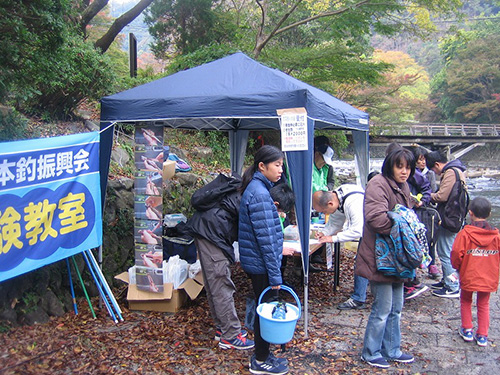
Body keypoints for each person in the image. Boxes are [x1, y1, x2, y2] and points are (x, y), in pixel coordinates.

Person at [355, 147, 416, 369]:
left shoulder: (403, 186)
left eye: (408, 167)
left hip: (397, 259)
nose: (405, 171)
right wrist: (404, 228)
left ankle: (392, 349)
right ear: (390, 165)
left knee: (396, 308)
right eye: (400, 166)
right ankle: (370, 352)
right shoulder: (378, 184)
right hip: (379, 258)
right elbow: (375, 219)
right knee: (382, 310)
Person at [187, 173, 254, 350]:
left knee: (213, 282)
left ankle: (222, 328)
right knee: (220, 282)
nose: (279, 170)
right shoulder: (251, 195)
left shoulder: (243, 188)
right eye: (276, 165)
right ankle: (230, 335)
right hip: (211, 234)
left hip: (206, 231)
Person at [239, 145, 289, 375]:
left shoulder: (258, 188)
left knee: (264, 307)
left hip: (258, 262)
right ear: (262, 166)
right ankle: (260, 360)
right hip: (261, 264)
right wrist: (276, 275)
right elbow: (267, 240)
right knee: (265, 310)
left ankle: (263, 354)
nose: (280, 170)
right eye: (277, 165)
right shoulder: (259, 194)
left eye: (281, 165)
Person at [451, 197, 500, 347]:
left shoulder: (465, 234)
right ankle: (482, 335)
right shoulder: (496, 236)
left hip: (469, 274)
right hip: (488, 276)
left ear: (470, 213)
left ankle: (467, 330)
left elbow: (456, 253)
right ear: (490, 214)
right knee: (483, 304)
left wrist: (457, 268)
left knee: (466, 301)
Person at [312, 186, 368, 310]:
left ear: (330, 203)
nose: (324, 214)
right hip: (368, 230)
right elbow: (335, 222)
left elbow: (358, 231)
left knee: (362, 261)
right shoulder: (337, 197)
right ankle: (361, 294)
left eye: (323, 211)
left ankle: (359, 298)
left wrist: (333, 238)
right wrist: (325, 233)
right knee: (364, 261)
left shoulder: (353, 202)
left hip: (374, 229)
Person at [425, 150, 467, 298]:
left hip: (449, 218)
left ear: (437, 164)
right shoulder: (458, 169)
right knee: (448, 250)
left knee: (444, 252)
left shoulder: (450, 172)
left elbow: (442, 196)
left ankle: (452, 286)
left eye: (434, 170)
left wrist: (426, 196)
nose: (435, 173)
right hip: (456, 218)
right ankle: (446, 281)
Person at [409, 145, 440, 279]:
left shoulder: (429, 174)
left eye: (423, 160)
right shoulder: (410, 172)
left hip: (426, 210)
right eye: (419, 160)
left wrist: (423, 200)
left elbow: (431, 190)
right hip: (413, 211)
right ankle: (414, 271)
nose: (422, 162)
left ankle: (431, 264)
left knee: (429, 238)